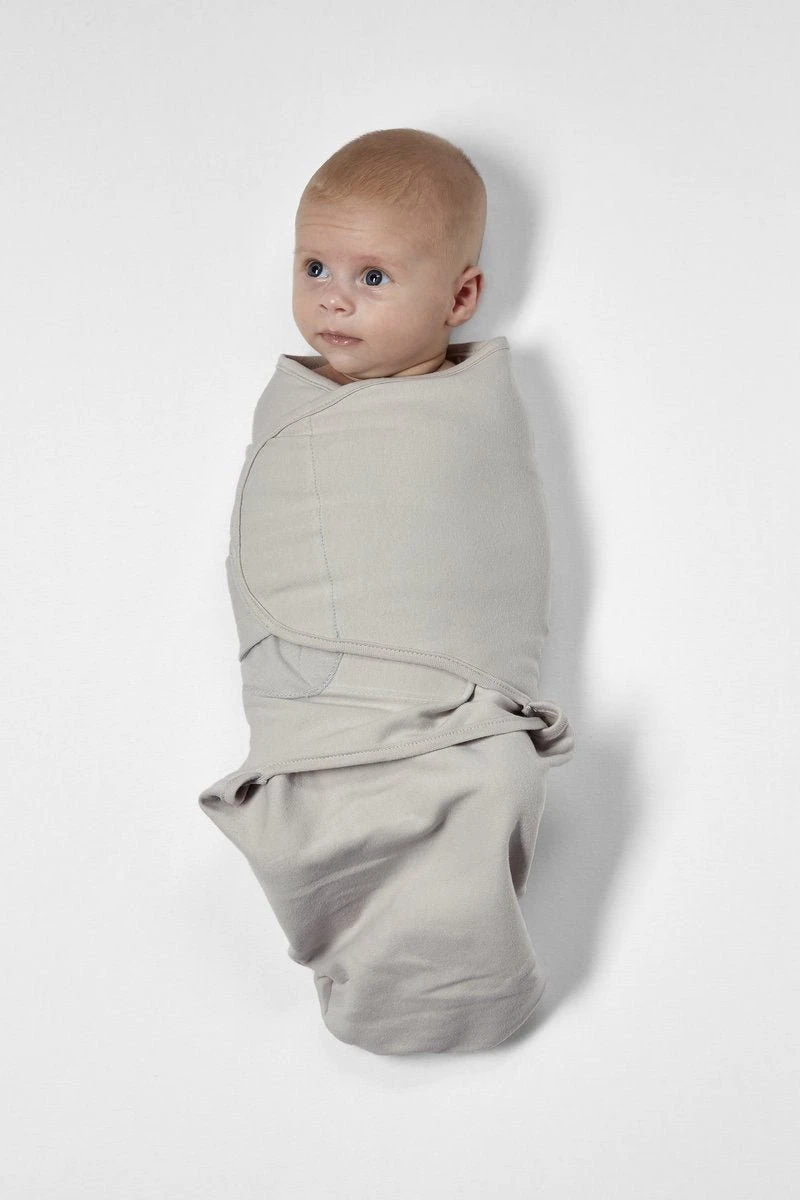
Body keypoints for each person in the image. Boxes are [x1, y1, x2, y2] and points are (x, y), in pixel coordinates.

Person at [198, 128, 575, 1055]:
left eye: (373, 277)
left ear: (459, 297)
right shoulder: (299, 406)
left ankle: (450, 975)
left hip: (448, 694)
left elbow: (494, 543)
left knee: (483, 776)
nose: (333, 296)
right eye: (314, 267)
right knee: (321, 803)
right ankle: (408, 956)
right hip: (324, 693)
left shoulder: (471, 412)